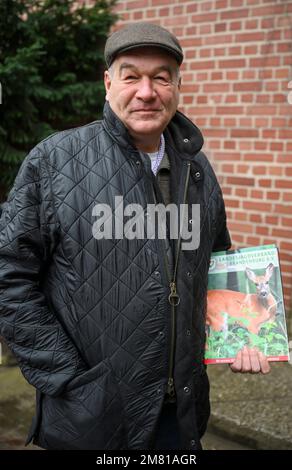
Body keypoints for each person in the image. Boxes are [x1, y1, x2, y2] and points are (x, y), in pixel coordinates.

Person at [0, 22, 270, 451]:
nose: (147, 91)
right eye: (131, 76)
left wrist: (242, 338)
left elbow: (215, 267)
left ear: (177, 86)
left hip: (180, 415)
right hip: (91, 417)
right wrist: (68, 378)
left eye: (161, 77)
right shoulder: (53, 163)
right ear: (108, 83)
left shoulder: (198, 172)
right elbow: (8, 278)